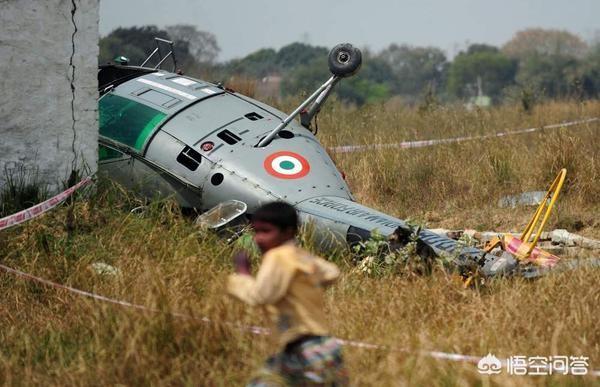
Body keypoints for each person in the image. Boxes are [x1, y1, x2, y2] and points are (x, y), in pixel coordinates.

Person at [227, 201, 348, 386]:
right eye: (256, 231)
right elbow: (332, 273)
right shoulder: (299, 256)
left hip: (305, 352)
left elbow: (261, 296)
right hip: (322, 348)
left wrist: (242, 274)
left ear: (288, 232)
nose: (258, 238)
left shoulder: (277, 256)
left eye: (266, 231)